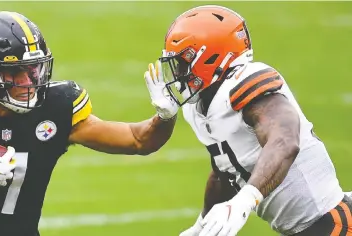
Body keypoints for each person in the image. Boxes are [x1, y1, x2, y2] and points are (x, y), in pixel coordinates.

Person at [0, 11, 179, 236]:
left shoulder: (57, 108)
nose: (28, 82)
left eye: (33, 69)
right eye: (14, 71)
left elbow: (138, 140)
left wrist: (164, 117)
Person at [144, 5, 352, 236]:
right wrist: (202, 224)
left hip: (331, 222)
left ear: (211, 57)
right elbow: (226, 171)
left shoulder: (245, 83)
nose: (179, 73)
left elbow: (285, 141)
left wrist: (246, 199)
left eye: (184, 63)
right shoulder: (200, 107)